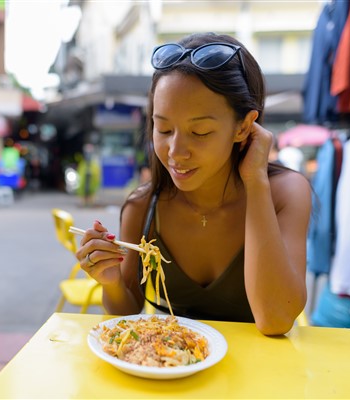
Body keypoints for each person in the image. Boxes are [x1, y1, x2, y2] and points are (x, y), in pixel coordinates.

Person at [74, 32, 312, 336]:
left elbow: (275, 320)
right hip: (172, 373)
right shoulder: (144, 206)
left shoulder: (286, 193)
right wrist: (111, 281)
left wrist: (255, 181)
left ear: (243, 127)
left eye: (199, 132)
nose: (175, 151)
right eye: (163, 129)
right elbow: (128, 309)